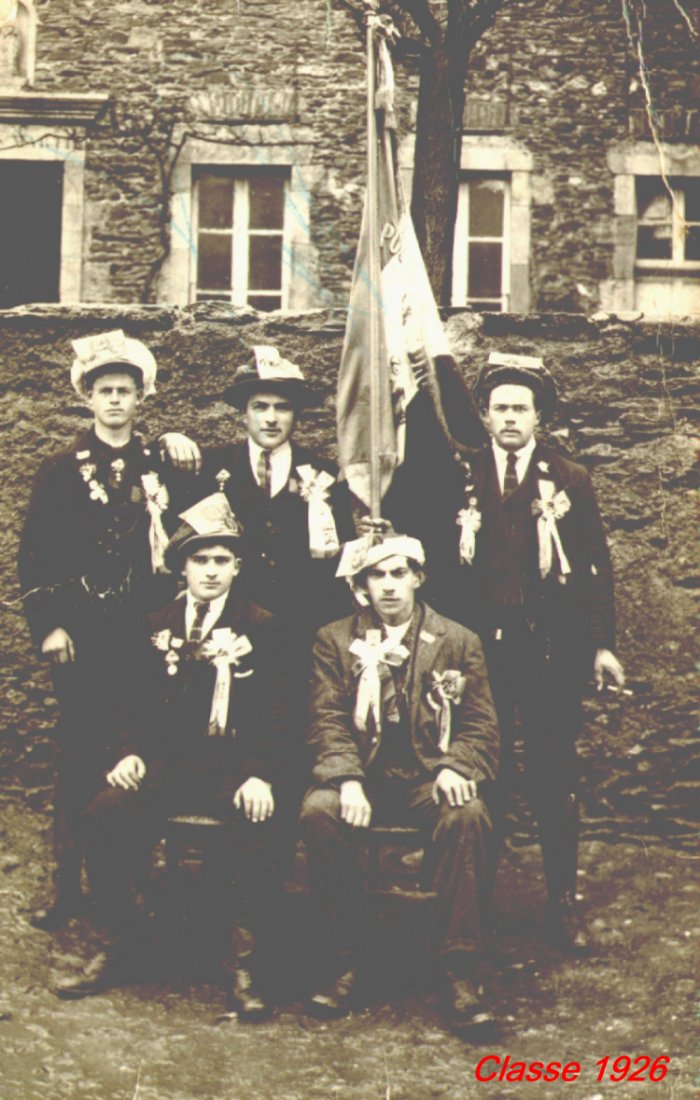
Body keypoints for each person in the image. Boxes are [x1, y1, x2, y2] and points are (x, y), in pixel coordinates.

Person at [412, 352, 625, 952]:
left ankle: (562, 902)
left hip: (551, 652)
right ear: (483, 415)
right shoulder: (461, 477)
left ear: (538, 417)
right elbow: (436, 566)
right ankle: (477, 905)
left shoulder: (569, 478)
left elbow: (596, 568)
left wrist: (601, 646)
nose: (509, 418)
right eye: (499, 408)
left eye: (520, 408)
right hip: (480, 656)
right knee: (488, 774)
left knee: (553, 777)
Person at [52, 493, 288, 1016]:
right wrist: (129, 753)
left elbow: (278, 711)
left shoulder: (262, 625)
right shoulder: (153, 623)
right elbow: (127, 702)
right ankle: (121, 938)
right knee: (104, 813)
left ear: (238, 566)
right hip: (168, 768)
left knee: (261, 825)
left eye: (222, 560)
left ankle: (245, 960)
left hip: (233, 770)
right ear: (182, 567)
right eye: (200, 560)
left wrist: (260, 774)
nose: (211, 571)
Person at [17, 330, 199, 931]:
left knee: (142, 748)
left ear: (141, 398)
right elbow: (35, 555)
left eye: (125, 390)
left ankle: (131, 880)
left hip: (145, 637)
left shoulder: (161, 466)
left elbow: (193, 533)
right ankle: (67, 885)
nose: (115, 400)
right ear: (87, 399)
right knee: (79, 754)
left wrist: (179, 443)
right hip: (83, 636)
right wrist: (50, 624)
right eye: (105, 391)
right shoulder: (59, 471)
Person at [299, 535, 499, 1034]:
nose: (388, 586)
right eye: (376, 575)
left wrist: (456, 767)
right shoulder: (334, 639)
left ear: (418, 578)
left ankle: (458, 967)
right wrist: (346, 780)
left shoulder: (457, 640)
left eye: (399, 573)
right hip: (362, 776)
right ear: (361, 586)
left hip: (425, 778)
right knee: (318, 811)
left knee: (467, 814)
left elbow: (480, 724)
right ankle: (345, 956)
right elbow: (326, 719)